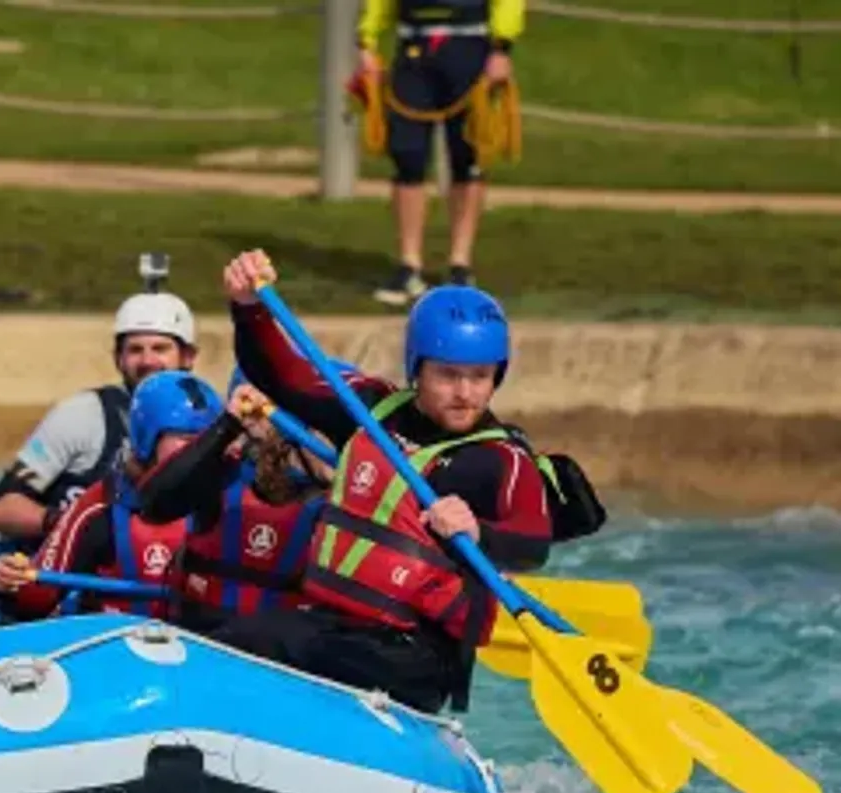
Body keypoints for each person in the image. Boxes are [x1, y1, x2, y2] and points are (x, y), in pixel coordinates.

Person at [212, 248, 602, 715]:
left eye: (480, 377)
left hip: (415, 657)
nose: (465, 393)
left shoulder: (502, 460)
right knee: (232, 640)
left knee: (262, 642)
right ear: (417, 368)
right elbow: (282, 376)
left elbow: (531, 544)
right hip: (336, 625)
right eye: (448, 375)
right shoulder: (371, 409)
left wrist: (479, 532)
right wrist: (249, 308)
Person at [0, 262, 199, 557]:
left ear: (188, 356)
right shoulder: (81, 415)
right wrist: (71, 524)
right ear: (118, 359)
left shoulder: (209, 420)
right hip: (57, 573)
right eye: (135, 350)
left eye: (160, 348)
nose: (147, 361)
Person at [0, 370, 222, 622]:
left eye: (207, 441)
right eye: (187, 440)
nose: (200, 452)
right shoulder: (100, 506)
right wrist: (14, 580)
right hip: (118, 639)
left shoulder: (231, 502)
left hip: (204, 638)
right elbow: (36, 599)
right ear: (147, 440)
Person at [128, 379, 332, 635]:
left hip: (281, 654)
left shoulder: (345, 498)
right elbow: (154, 506)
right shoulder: (225, 473)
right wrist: (227, 425)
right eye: (326, 433)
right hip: (204, 640)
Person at [357, 0, 525, 303]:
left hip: (469, 47)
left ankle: (460, 265)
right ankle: (409, 265)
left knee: (468, 158)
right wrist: (367, 41)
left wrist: (502, 47)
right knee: (407, 157)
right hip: (413, 50)